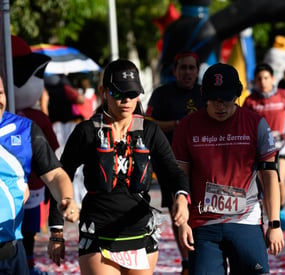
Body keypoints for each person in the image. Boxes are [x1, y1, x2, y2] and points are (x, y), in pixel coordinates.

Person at [47, 59, 191, 275]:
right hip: (98, 232)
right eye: (118, 93)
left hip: (140, 232)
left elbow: (173, 171)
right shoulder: (87, 132)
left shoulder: (149, 130)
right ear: (104, 91)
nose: (126, 100)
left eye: (132, 94)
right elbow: (61, 175)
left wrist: (181, 197)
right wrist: (56, 231)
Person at [172, 63, 285, 275]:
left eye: (227, 98)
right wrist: (182, 216)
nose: (220, 105)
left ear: (238, 94)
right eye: (214, 99)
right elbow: (180, 175)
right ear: (203, 95)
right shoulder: (186, 127)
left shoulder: (256, 124)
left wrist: (275, 224)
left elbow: (270, 175)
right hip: (203, 223)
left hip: (246, 219)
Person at [0, 74, 79, 275]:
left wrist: (67, 199)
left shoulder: (24, 130)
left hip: (9, 252)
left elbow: (55, 176)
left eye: (0, 93)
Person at [145, 49, 205, 275]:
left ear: (197, 71)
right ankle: (188, 261)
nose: (188, 72)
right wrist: (176, 125)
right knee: (178, 212)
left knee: (201, 211)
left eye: (192, 68)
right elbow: (147, 122)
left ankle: (203, 254)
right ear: (175, 70)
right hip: (170, 163)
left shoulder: (205, 93)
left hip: (202, 162)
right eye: (183, 68)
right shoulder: (162, 93)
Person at [11, 34, 61, 275]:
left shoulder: (36, 119)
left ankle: (28, 264)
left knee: (28, 230)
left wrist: (55, 185)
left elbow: (52, 153)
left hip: (34, 184)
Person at [243, 63, 285, 232]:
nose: (263, 82)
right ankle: (267, 215)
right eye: (259, 78)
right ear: (254, 80)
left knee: (279, 179)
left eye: (266, 78)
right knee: (265, 184)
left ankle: (281, 211)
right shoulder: (250, 101)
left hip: (280, 146)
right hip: (260, 149)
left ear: (273, 79)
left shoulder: (284, 95)